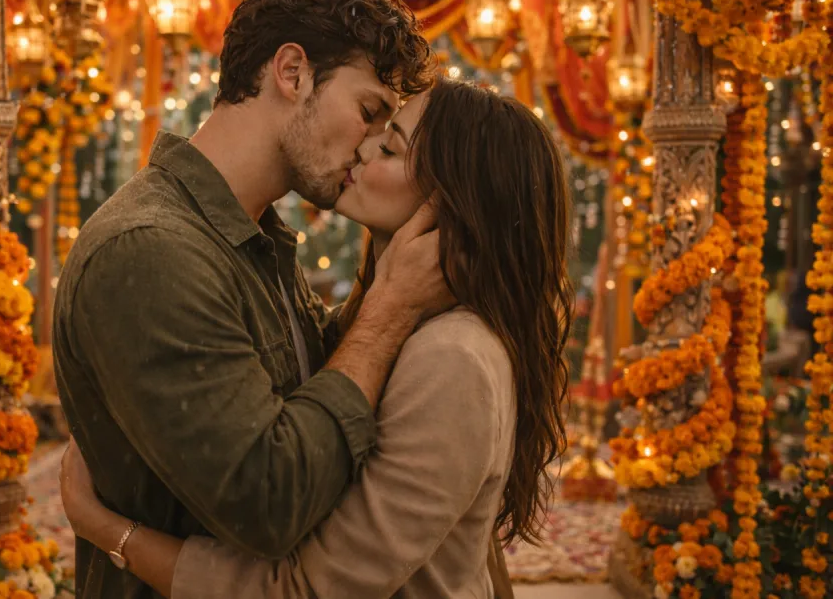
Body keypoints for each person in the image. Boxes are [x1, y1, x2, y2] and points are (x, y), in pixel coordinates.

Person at [59, 78, 575, 599]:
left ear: (450, 209)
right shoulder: (407, 323)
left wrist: (109, 531)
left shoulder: (452, 357)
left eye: (390, 145)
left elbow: (307, 590)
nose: (364, 146)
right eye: (369, 118)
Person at [52, 0, 452, 599]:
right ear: (291, 73)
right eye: (369, 111)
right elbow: (267, 504)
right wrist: (390, 308)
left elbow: (315, 380)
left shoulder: (248, 234)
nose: (372, 146)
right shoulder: (152, 251)